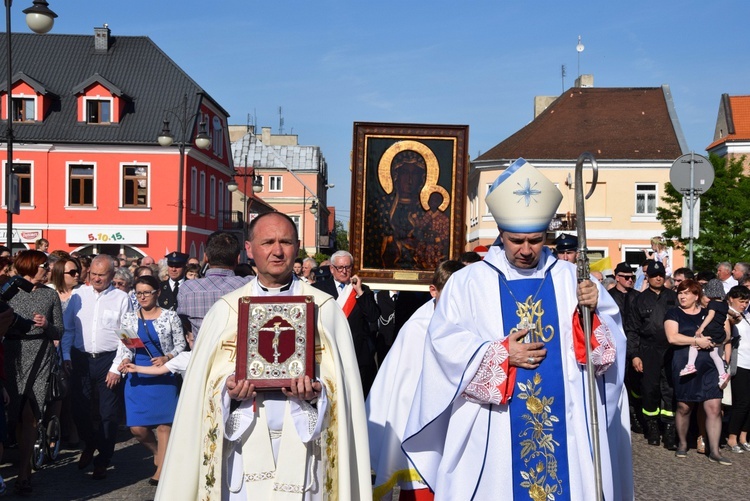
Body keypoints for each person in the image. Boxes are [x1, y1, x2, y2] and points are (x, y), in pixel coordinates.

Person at [402, 158, 632, 500]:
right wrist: (498, 354)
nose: (526, 250)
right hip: (495, 422)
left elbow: (605, 353)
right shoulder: (468, 282)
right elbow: (443, 346)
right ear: (502, 235)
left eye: (536, 241)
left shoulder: (573, 278)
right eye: (516, 241)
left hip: (566, 419)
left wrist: (594, 311)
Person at [156, 212, 371, 500]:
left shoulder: (324, 309)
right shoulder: (226, 310)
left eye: (285, 242)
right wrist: (227, 389)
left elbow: (343, 392)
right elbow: (202, 387)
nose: (277, 251)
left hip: (308, 454)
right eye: (268, 241)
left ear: (296, 246)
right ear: (249, 249)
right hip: (243, 452)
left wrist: (317, 392)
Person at [368, 260, 464, 501]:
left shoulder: (472, 323)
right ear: (434, 291)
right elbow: (403, 390)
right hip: (423, 430)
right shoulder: (417, 329)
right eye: (451, 292)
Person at [62, 254, 132, 480]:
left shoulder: (122, 298)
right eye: (93, 274)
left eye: (101, 275)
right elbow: (68, 328)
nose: (96, 278)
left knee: (108, 414)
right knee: (79, 409)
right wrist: (65, 355)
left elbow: (127, 336)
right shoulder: (78, 296)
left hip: (108, 359)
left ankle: (103, 459)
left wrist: (115, 367)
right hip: (80, 358)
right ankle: (90, 443)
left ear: (112, 275)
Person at [4, 251, 63, 496]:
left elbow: (59, 331)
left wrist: (47, 325)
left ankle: (23, 472)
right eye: (43, 266)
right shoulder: (9, 291)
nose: (47, 270)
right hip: (11, 355)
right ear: (29, 266)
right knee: (13, 414)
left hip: (40, 355)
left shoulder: (50, 295)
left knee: (30, 415)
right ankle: (22, 464)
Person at [118, 275, 185, 485]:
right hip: (137, 375)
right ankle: (158, 453)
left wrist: (168, 357)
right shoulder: (128, 318)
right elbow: (124, 346)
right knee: (137, 428)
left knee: (165, 425)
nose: (143, 297)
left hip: (163, 373)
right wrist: (126, 359)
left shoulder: (170, 316)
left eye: (147, 292)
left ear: (157, 293)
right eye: (139, 293)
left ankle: (161, 470)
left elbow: (181, 345)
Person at [665, 279, 730, 464]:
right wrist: (696, 341)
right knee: (684, 407)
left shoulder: (709, 312)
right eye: (680, 293)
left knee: (714, 407)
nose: (682, 296)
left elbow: (725, 335)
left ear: (696, 296)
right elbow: (672, 337)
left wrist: (719, 334)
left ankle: (715, 450)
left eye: (686, 293)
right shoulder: (674, 313)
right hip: (686, 365)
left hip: (710, 366)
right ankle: (683, 444)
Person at [625, 260, 678, 449]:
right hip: (648, 350)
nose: (658, 278)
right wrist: (634, 355)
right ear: (647, 277)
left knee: (670, 390)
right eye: (654, 275)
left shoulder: (674, 297)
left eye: (661, 275)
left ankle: (670, 429)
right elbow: (632, 330)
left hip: (671, 351)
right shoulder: (639, 300)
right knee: (650, 390)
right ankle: (652, 427)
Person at [313, 250, 380, 397]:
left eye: (348, 267)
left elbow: (373, 316)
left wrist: (360, 293)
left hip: (357, 354)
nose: (344, 271)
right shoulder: (319, 289)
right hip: (330, 353)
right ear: (332, 269)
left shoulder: (362, 289)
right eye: (340, 268)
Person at [177, 231, 251, 339]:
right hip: (236, 354)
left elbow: (186, 323)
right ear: (238, 258)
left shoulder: (188, 289)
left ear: (205, 257)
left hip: (203, 354)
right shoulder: (250, 285)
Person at [679, 279, 732, 388]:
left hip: (711, 330)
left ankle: (690, 365)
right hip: (720, 333)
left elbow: (710, 316)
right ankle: (722, 374)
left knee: (694, 343)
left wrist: (701, 328)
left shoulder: (712, 304)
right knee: (714, 354)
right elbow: (730, 312)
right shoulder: (724, 304)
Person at [724, 286, 750, 453]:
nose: (744, 305)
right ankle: (732, 437)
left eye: (746, 302)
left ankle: (743, 436)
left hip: (749, 361)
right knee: (741, 402)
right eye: (741, 301)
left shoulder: (747, 314)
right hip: (739, 363)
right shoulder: (728, 315)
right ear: (731, 299)